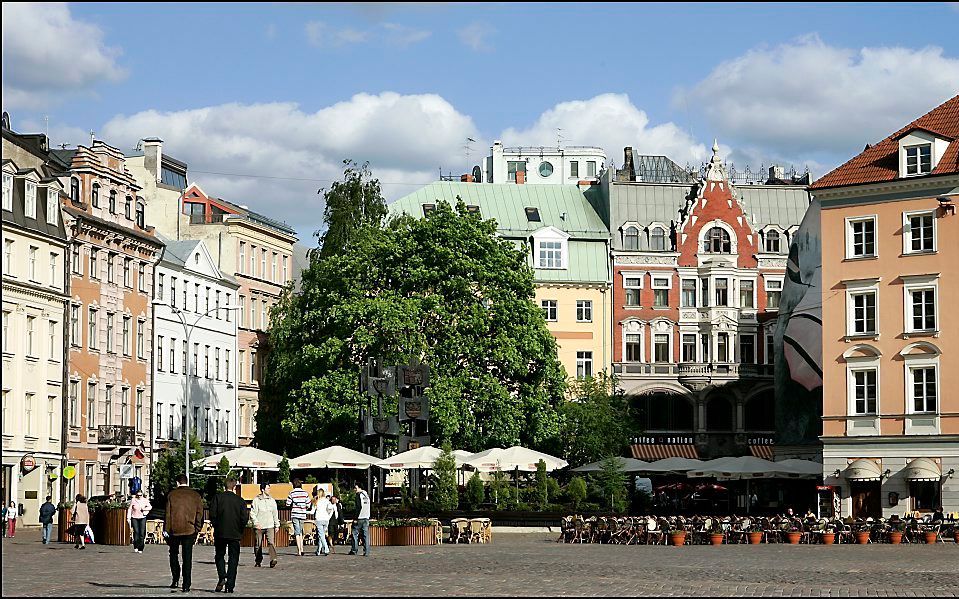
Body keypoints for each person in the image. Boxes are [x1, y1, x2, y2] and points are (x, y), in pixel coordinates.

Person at [164, 475, 204, 592]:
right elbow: (199, 513)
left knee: (173, 554)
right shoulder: (195, 495)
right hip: (189, 529)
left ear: (177, 483)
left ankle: (175, 578)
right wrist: (197, 528)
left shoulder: (172, 495)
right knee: (187, 557)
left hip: (174, 530)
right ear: (187, 482)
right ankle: (186, 584)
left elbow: (167, 514)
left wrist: (166, 529)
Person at [210, 478, 247, 594]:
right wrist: (240, 529)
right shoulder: (240, 501)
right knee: (233, 559)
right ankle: (230, 585)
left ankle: (222, 576)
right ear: (235, 487)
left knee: (219, 556)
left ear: (224, 487)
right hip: (235, 534)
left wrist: (216, 526)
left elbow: (212, 514)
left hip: (220, 532)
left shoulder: (217, 498)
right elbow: (244, 518)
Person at [250, 482, 279, 568]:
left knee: (271, 543)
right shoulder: (256, 500)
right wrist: (256, 523)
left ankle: (273, 559)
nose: (269, 490)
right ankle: (258, 560)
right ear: (263, 489)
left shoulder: (272, 500)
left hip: (270, 525)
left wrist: (276, 524)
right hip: (259, 525)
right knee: (258, 544)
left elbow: (275, 513)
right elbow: (252, 513)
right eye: (268, 488)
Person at [285, 478, 310, 557]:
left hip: (295, 514)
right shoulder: (305, 493)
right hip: (303, 514)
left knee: (297, 532)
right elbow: (309, 504)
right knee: (301, 532)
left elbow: (287, 504)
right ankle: (302, 548)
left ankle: (299, 550)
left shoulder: (292, 493)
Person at [348, 483, 371, 557]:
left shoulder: (359, 495)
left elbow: (358, 507)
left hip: (359, 518)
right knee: (365, 535)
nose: (354, 490)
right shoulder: (366, 495)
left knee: (355, 534)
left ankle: (354, 550)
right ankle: (366, 551)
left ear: (360, 488)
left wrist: (355, 518)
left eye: (356, 488)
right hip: (366, 517)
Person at [312, 488, 334, 556]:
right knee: (322, 535)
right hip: (326, 520)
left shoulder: (316, 501)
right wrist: (328, 516)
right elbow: (331, 509)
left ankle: (326, 549)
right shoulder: (327, 501)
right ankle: (318, 550)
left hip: (319, 519)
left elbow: (312, 511)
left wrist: (305, 512)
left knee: (321, 535)